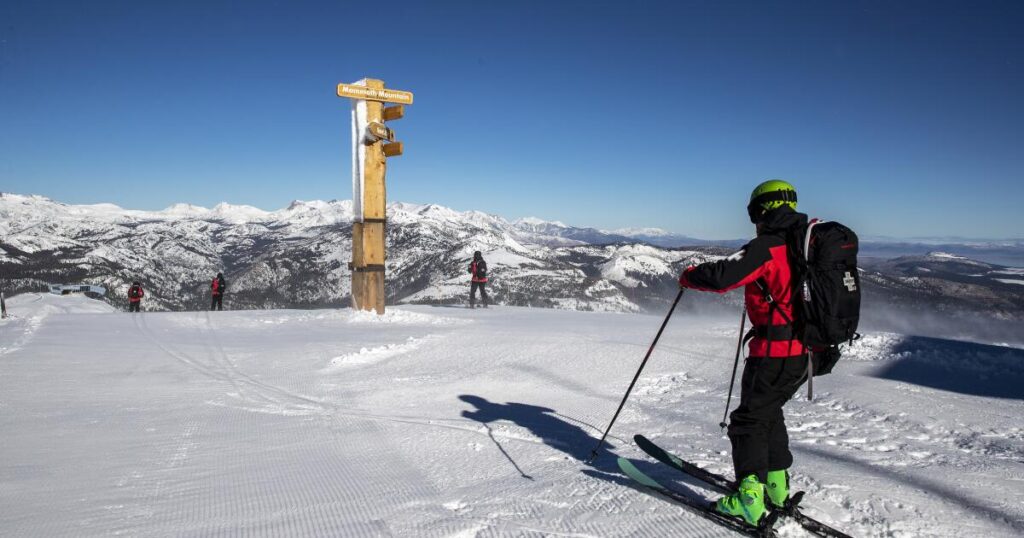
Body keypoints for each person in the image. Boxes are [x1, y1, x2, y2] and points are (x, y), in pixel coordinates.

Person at [677, 180, 808, 528]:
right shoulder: (803, 245)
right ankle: (776, 488)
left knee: (748, 421)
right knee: (768, 412)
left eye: (753, 213)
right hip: (806, 352)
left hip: (774, 351)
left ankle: (749, 499)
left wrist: (689, 276)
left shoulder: (770, 246)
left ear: (762, 210)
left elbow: (723, 276)